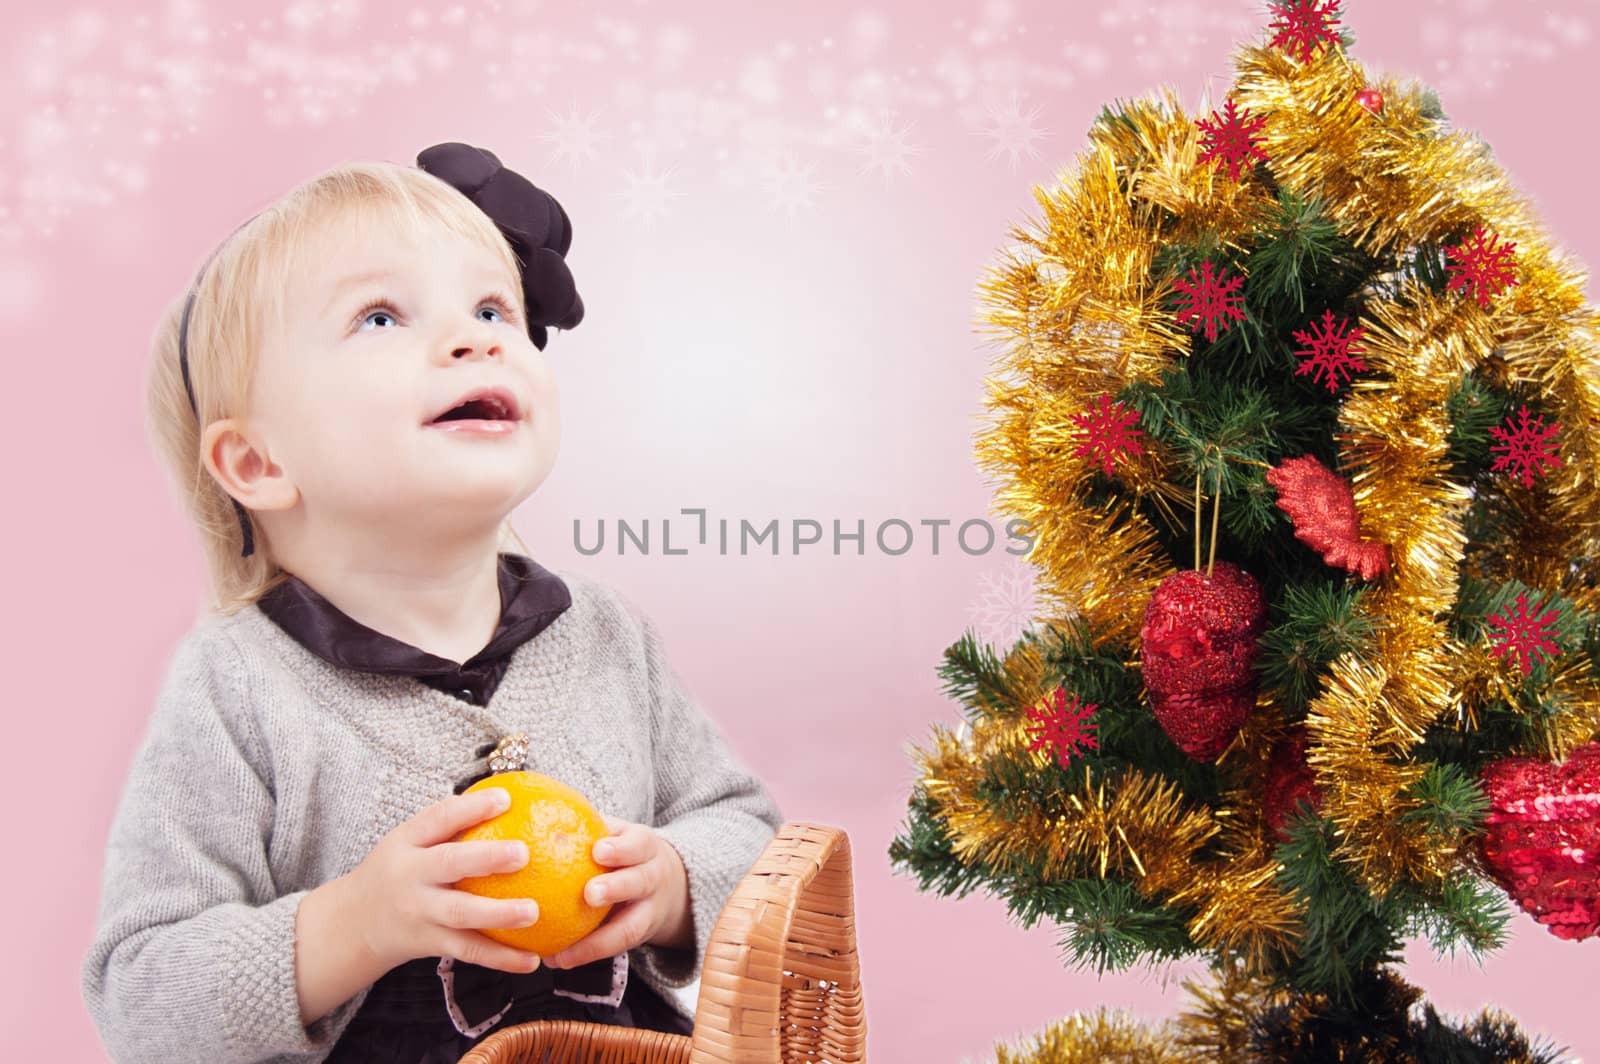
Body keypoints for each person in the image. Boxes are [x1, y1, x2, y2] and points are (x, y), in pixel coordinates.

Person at [81, 142, 785, 1063]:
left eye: (494, 307)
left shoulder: (605, 637)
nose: (480, 337)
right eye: (379, 316)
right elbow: (139, 992)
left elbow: (756, 841)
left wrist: (677, 884)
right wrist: (352, 927)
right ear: (258, 463)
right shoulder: (239, 685)